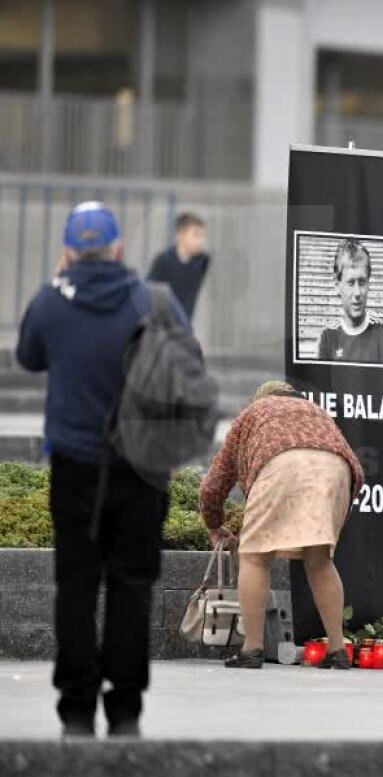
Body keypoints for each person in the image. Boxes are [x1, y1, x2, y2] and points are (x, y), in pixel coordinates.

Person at [16, 201, 189, 738]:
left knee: (75, 584)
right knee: (131, 585)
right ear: (117, 249)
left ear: (68, 251)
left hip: (74, 467)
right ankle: (125, 710)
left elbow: (28, 356)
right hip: (140, 467)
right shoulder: (152, 300)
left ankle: (74, 708)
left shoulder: (50, 300)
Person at [201, 381, 364, 670]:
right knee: (320, 560)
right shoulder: (316, 412)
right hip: (337, 470)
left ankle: (252, 649)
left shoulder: (254, 413)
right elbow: (355, 469)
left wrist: (214, 524)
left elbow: (215, 482)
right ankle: (338, 649)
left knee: (254, 555)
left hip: (281, 463)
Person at [316, 238, 383, 364]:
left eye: (362, 282)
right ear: (337, 285)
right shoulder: (327, 336)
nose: (357, 293)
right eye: (350, 283)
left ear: (368, 284)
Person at [147, 212, 210, 321]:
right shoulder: (164, 260)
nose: (201, 241)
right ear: (181, 235)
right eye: (196, 235)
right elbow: (151, 291)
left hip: (185, 324)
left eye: (202, 236)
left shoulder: (203, 260)